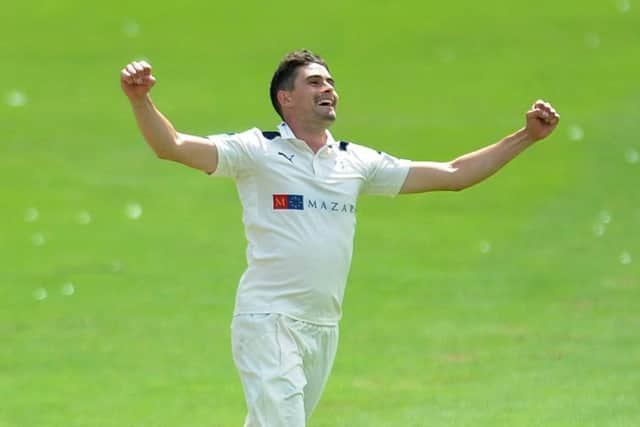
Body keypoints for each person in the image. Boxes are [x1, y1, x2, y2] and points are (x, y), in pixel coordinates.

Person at [120, 49, 560, 426]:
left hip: (323, 326)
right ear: (285, 98)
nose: (328, 88)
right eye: (315, 82)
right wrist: (142, 102)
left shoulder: (355, 161)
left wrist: (526, 137)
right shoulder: (257, 150)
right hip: (269, 320)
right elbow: (172, 145)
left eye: (330, 81)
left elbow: (454, 174)